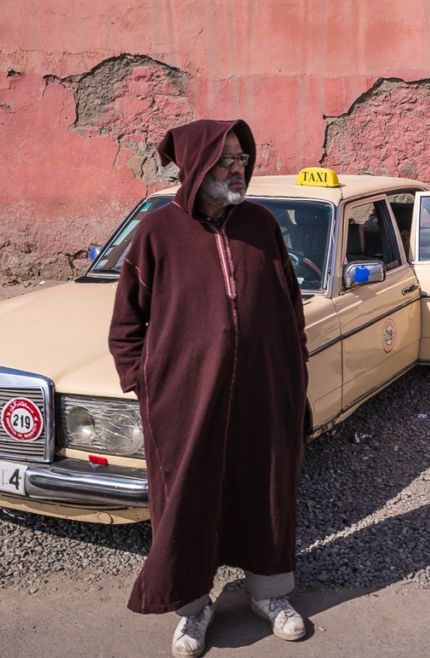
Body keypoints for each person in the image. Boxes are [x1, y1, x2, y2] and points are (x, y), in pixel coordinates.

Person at [108, 119, 310, 657]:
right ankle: (193, 608)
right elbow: (127, 324)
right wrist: (144, 384)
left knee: (266, 486)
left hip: (263, 393)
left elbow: (290, 304)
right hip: (184, 401)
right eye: (226, 159)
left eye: (243, 156)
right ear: (197, 166)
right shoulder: (157, 233)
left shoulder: (262, 224)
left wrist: (294, 372)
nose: (238, 167)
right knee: (187, 499)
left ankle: (270, 595)